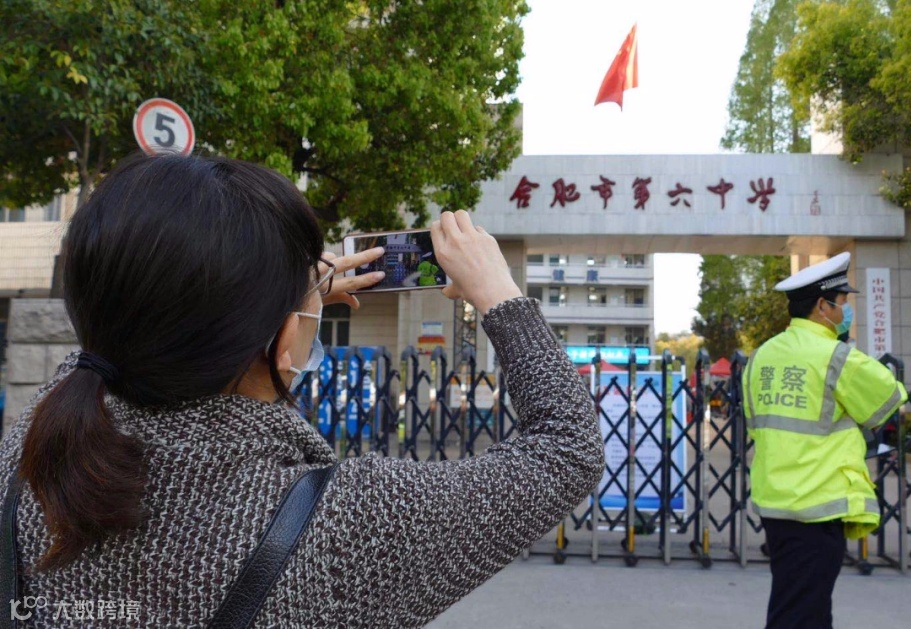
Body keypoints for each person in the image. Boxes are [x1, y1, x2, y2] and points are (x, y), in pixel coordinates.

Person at [0, 154, 604, 627]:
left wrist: (282, 297)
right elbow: (566, 451)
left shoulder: (26, 453)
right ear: (286, 339)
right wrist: (499, 293)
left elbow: (110, 340)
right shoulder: (343, 526)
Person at [741, 252, 907, 629]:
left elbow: (754, 422)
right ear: (822, 306)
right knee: (798, 613)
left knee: (807, 607)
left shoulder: (761, 356)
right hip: (817, 506)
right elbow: (889, 399)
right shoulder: (836, 356)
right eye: (842, 302)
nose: (845, 310)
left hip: (775, 502)